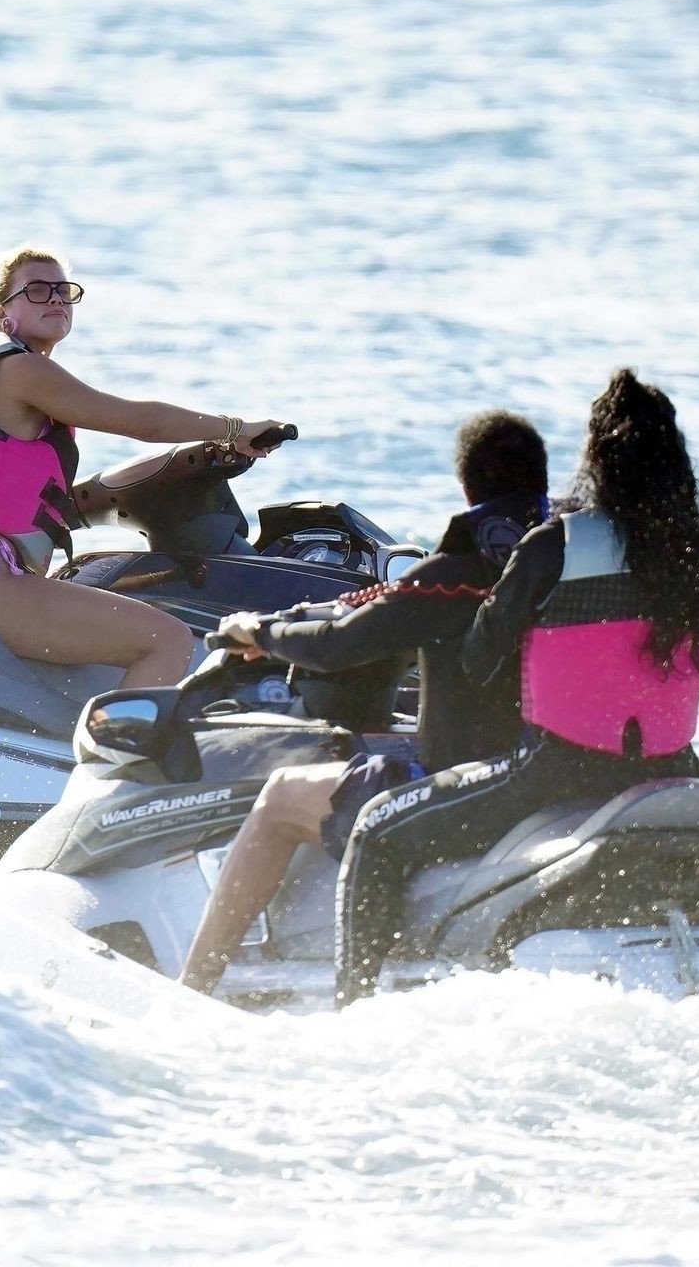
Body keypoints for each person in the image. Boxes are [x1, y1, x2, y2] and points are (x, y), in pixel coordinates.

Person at [331, 368, 699, 1006]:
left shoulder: (555, 546)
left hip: (556, 774)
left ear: (597, 463)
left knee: (376, 831)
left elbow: (480, 658)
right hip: (671, 775)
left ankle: (351, 1009)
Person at [177, 410, 551, 994]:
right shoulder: (561, 569)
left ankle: (195, 985)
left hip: (467, 785)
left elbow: (337, 645)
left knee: (280, 798)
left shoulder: (452, 576)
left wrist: (259, 631)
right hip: (545, 775)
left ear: (466, 486)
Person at [0, 246, 286, 689]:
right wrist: (236, 429)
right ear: (2, 311)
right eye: (37, 290)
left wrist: (10, 501)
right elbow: (142, 422)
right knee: (168, 640)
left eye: (64, 291)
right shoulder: (21, 369)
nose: (55, 299)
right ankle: (121, 736)